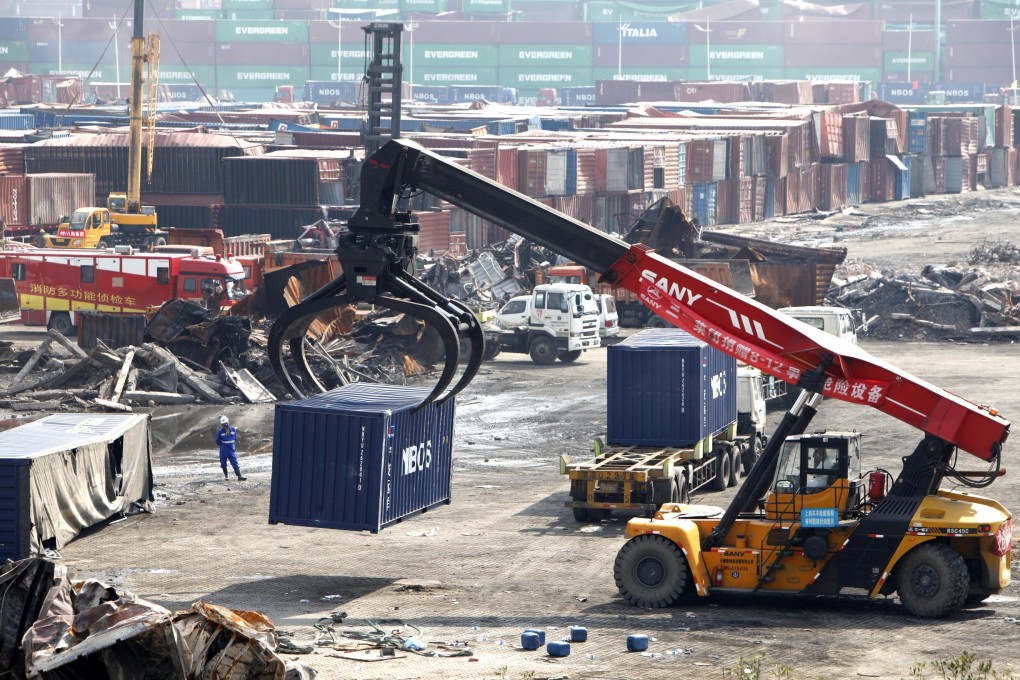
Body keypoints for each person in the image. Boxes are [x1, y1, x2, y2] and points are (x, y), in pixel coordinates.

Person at [216, 415, 246, 481]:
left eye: (225, 423)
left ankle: (239, 476)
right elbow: (218, 441)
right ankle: (227, 476)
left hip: (229, 449)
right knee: (224, 463)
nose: (225, 425)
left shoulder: (230, 430)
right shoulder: (221, 431)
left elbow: (218, 441)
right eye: (224, 424)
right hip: (225, 449)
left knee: (234, 462)